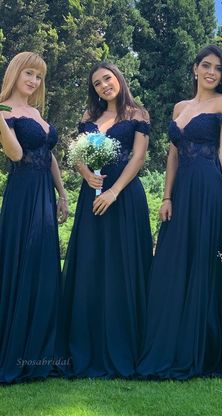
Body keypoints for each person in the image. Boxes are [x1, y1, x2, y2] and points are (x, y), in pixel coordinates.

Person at [137, 45, 222, 380]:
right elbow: (173, 155)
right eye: (206, 65)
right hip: (181, 194)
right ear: (194, 69)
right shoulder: (180, 107)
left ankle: (207, 347)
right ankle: (173, 342)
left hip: (209, 189)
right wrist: (166, 197)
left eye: (218, 68)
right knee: (173, 262)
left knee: (209, 262)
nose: (212, 72)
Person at [58, 62, 153, 378]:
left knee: (122, 266)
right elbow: (78, 157)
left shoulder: (138, 114)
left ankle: (125, 344)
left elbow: (138, 157)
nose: (103, 86)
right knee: (93, 265)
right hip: (92, 198)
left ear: (118, 78)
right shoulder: (88, 119)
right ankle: (89, 345)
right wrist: (85, 173)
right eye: (97, 83)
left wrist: (114, 191)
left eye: (107, 79)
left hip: (124, 197)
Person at [0, 51, 68, 384]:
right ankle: (15, 349)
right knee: (22, 262)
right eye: (29, 73)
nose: (34, 81)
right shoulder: (5, 110)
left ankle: (40, 350)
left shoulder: (36, 113)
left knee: (42, 265)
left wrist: (63, 193)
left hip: (44, 194)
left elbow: (48, 154)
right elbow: (15, 153)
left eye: (39, 76)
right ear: (15, 73)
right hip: (23, 194)